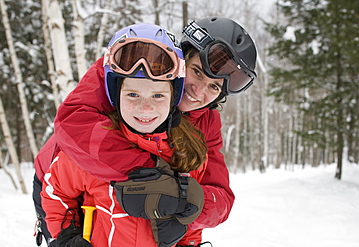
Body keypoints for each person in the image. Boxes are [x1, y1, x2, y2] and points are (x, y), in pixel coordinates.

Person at [33, 17, 257, 247]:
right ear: (180, 62)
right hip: (58, 172)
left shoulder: (202, 127)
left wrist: (188, 201)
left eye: (214, 87)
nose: (198, 91)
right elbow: (73, 123)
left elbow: (218, 196)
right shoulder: (134, 62)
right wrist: (151, 175)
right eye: (197, 72)